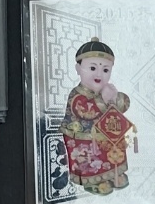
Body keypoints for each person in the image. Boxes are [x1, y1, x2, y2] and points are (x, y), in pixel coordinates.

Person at [58, 37, 135, 195]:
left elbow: (123, 105)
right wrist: (105, 100)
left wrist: (115, 98)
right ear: (78, 68)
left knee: (113, 150)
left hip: (106, 134)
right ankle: (94, 181)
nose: (99, 74)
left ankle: (114, 174)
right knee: (89, 159)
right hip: (83, 137)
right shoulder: (77, 94)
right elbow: (84, 111)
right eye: (92, 68)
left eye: (105, 70)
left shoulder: (107, 91)